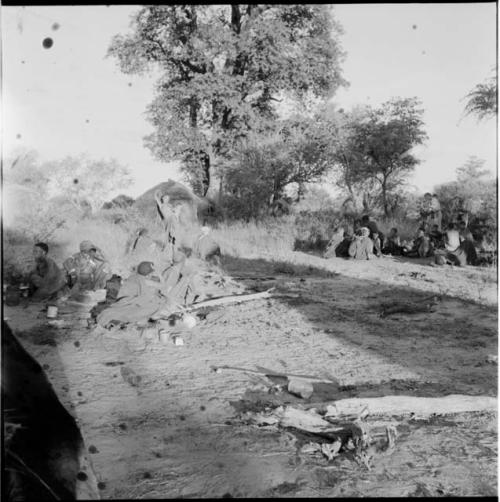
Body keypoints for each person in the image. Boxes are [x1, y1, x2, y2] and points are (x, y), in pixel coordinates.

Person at [96, 261, 170, 327]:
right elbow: (164, 286)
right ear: (149, 273)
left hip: (124, 300)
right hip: (134, 302)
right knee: (160, 302)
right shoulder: (146, 281)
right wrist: (159, 273)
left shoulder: (133, 277)